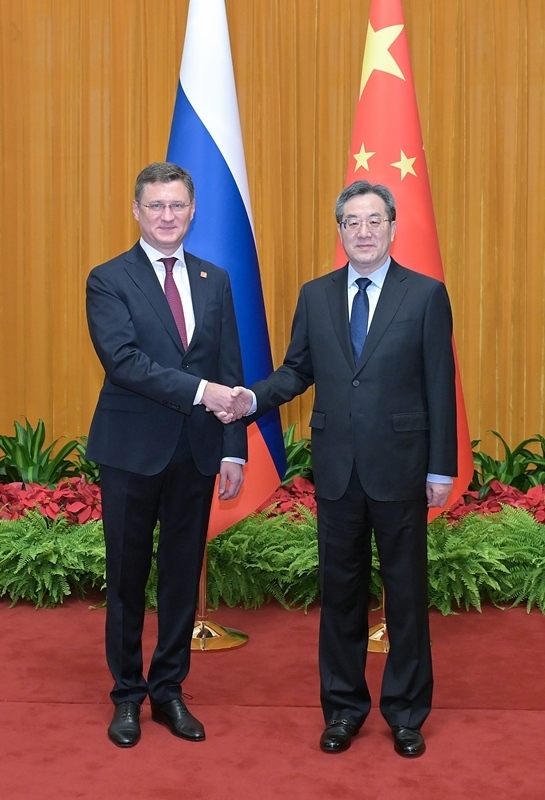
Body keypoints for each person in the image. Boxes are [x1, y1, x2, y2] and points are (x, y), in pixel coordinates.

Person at [225, 180, 457, 757]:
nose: (364, 231)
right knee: (341, 595)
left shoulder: (426, 295)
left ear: (393, 227)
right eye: (352, 221)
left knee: (405, 596)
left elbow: (439, 385)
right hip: (337, 471)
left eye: (374, 220)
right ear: (340, 231)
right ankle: (344, 710)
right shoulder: (316, 295)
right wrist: (252, 398)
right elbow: (296, 371)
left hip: (402, 468)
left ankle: (406, 713)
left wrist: (441, 468)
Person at [85, 161, 248, 748]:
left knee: (181, 578)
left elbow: (229, 365)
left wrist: (234, 450)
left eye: (177, 205)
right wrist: (203, 392)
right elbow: (124, 362)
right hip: (131, 452)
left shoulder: (214, 279)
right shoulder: (108, 279)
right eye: (155, 205)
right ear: (136, 210)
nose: (166, 215)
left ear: (193, 210)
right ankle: (127, 695)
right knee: (127, 578)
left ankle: (169, 690)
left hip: (197, 453)